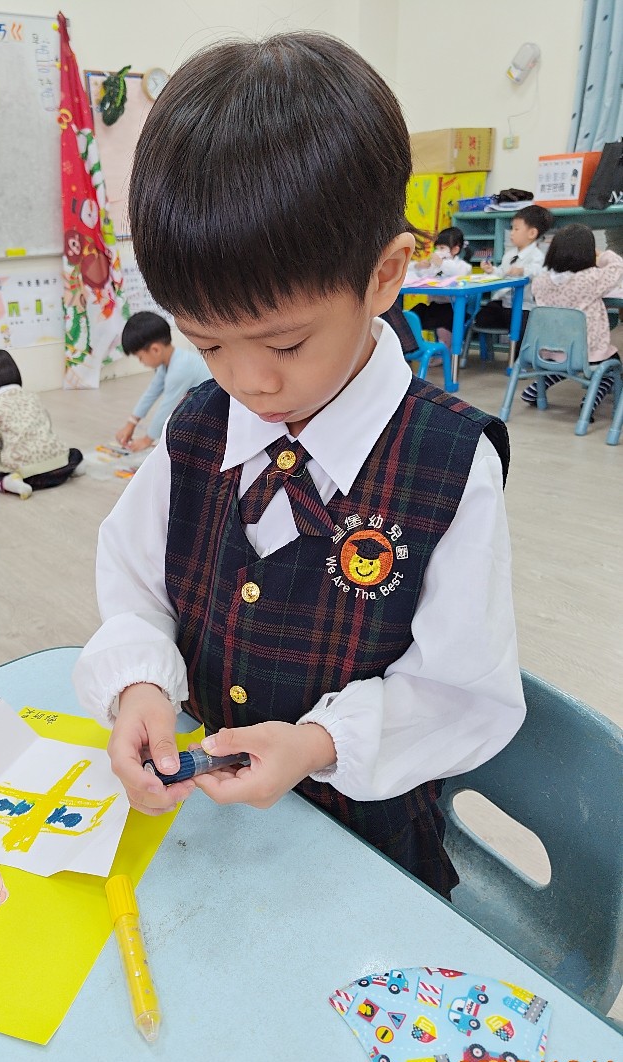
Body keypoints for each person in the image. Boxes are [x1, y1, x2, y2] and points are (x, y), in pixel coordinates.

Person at [73, 32, 525, 900]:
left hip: (365, 849)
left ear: (384, 275)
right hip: (211, 832)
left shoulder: (448, 461)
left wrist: (319, 743)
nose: (250, 381)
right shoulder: (198, 428)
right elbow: (134, 586)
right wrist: (139, 684)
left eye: (285, 343)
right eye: (208, 343)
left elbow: (462, 693)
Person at [519, 223, 623, 415]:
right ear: (587, 254)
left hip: (547, 350)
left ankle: (535, 389)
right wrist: (601, 255)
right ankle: (590, 401)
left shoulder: (540, 281)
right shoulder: (590, 279)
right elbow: (618, 267)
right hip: (583, 353)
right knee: (611, 365)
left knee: (563, 364)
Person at [0, 350, 83, 500]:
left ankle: (11, 483)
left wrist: (0, 455)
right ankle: (74, 468)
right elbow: (46, 426)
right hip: (58, 470)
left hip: (28, 476)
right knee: (73, 453)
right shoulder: (33, 396)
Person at [114, 311, 211, 452]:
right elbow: (151, 393)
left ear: (155, 350)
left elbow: (167, 407)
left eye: (140, 357)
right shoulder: (168, 362)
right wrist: (131, 423)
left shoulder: (180, 368)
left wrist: (147, 440)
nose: (141, 362)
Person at [472, 204, 553, 338]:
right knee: (481, 318)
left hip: (524, 307)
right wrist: (491, 270)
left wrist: (522, 270)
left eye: (516, 229)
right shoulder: (510, 254)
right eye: (511, 228)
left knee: (522, 330)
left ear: (532, 233)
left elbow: (539, 272)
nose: (512, 233)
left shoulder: (537, 256)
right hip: (504, 303)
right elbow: (503, 273)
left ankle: (518, 351)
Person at [407, 227, 472, 348]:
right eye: (437, 248)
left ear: (455, 249)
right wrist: (418, 267)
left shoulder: (462, 266)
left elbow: (459, 273)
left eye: (442, 248)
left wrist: (442, 264)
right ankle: (413, 347)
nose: (438, 251)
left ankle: (444, 351)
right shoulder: (434, 266)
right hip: (434, 306)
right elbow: (417, 277)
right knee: (412, 315)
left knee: (445, 322)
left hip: (453, 309)